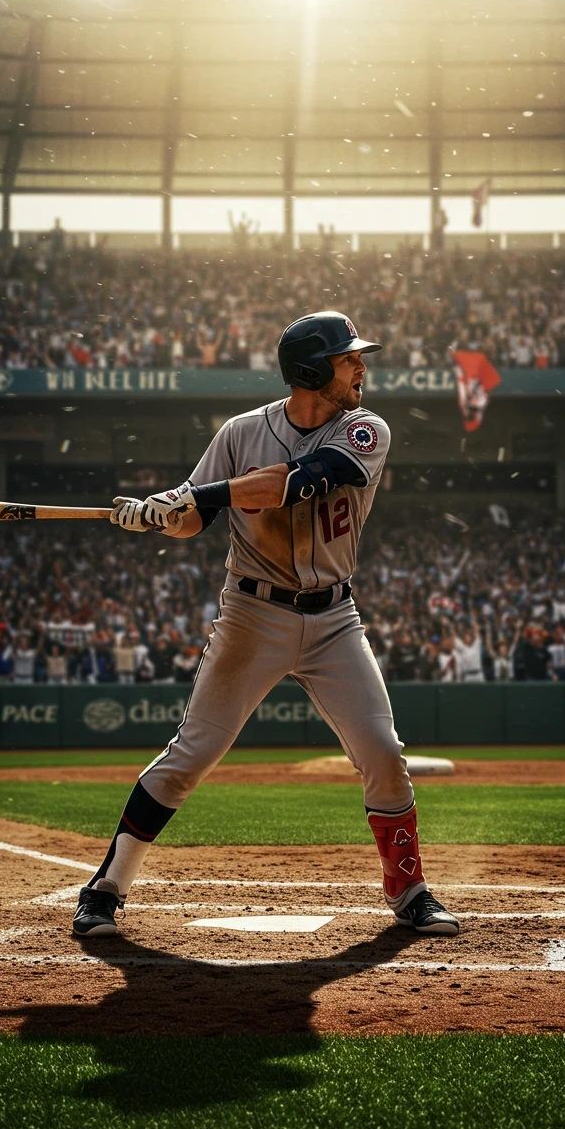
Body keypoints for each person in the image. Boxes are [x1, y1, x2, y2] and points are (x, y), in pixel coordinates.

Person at [73, 310, 460, 939]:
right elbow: (191, 521)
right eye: (348, 359)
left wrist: (196, 496)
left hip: (334, 619)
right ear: (311, 370)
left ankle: (410, 890)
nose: (360, 368)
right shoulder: (240, 432)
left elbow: (295, 483)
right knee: (191, 755)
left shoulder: (365, 428)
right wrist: (157, 516)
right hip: (252, 616)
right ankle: (104, 889)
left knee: (383, 752)